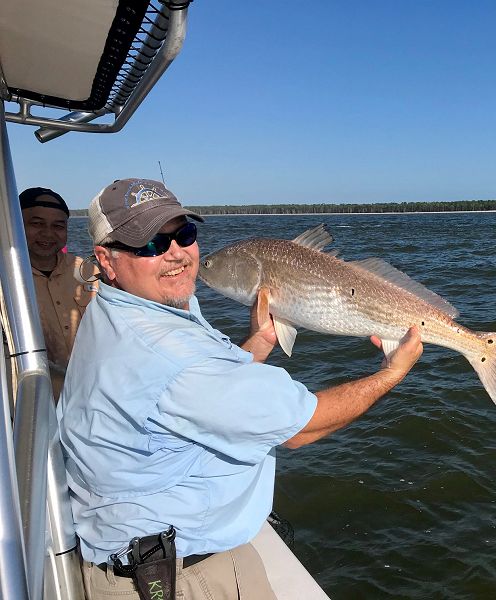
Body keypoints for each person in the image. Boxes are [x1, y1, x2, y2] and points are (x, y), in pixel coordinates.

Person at [57, 178, 423, 599]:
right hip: (176, 577)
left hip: (153, 548)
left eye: (184, 234)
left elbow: (197, 397)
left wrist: (260, 342)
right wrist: (391, 374)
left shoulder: (115, 308)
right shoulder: (168, 353)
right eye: (151, 244)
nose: (176, 253)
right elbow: (301, 430)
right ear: (107, 259)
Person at [19, 187, 98, 398]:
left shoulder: (91, 272)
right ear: (16, 225)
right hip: (29, 406)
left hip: (89, 399)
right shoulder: (7, 280)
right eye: (36, 224)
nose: (48, 233)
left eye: (58, 226)